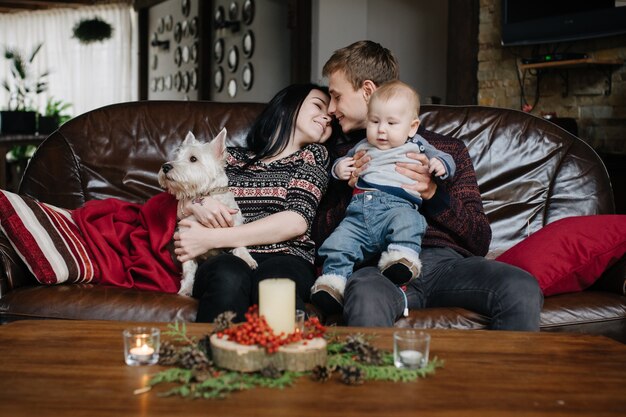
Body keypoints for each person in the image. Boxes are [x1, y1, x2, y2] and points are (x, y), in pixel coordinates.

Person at [318, 40, 543, 330]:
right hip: (378, 270)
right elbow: (321, 238)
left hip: (446, 266)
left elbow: (479, 239)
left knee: (520, 285)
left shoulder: (446, 149)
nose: (332, 108)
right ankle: (375, 374)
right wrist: (350, 190)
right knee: (364, 293)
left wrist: (432, 193)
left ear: (368, 90)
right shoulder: (340, 157)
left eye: (336, 96)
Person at [173, 83, 334, 323]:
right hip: (226, 257)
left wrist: (210, 239)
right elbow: (184, 190)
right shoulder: (231, 158)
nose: (326, 117)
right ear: (287, 106)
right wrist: (195, 205)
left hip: (286, 256)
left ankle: (287, 358)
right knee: (228, 275)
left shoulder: (313, 156)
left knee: (274, 282)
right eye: (318, 106)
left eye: (331, 117)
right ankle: (214, 355)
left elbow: (296, 222)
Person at [311, 80, 456, 315]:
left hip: (397, 207)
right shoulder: (361, 146)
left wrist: (440, 164)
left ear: (411, 127)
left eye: (391, 123)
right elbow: (341, 163)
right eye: (375, 122)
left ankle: (401, 259)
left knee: (409, 222)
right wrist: (339, 170)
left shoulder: (418, 145)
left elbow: (445, 157)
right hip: (358, 214)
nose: (381, 130)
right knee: (337, 243)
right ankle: (333, 283)